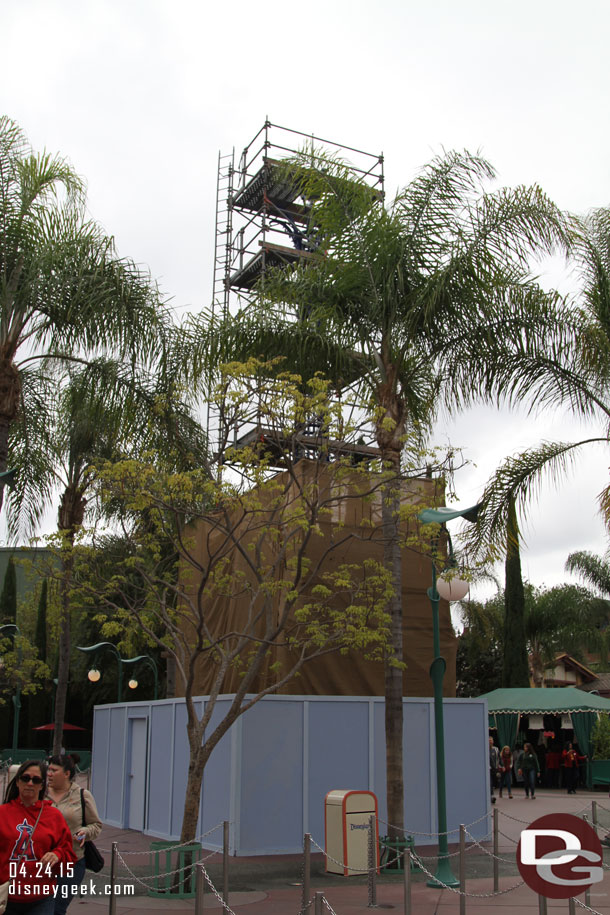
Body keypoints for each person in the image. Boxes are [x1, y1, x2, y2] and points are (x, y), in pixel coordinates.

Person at [0, 760, 76, 915]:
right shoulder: (2, 813)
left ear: (42, 785)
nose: (29, 783)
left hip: (41, 897)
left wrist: (57, 855)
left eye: (35, 780)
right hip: (6, 895)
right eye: (25, 778)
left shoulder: (53, 816)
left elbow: (69, 854)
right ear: (17, 782)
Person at [46, 755, 102, 915]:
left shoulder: (82, 795)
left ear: (67, 774)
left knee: (57, 908)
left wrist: (86, 831)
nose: (49, 774)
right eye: (48, 769)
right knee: (40, 907)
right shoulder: (40, 793)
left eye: (54, 770)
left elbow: (96, 825)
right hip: (42, 862)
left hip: (72, 861)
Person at [489, 737, 500, 803]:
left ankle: (491, 795)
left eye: (491, 740)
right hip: (488, 769)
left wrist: (499, 766)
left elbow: (498, 759)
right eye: (488, 740)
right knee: (490, 783)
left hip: (494, 768)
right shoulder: (484, 748)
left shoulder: (496, 749)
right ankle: (491, 796)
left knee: (493, 783)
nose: (490, 741)